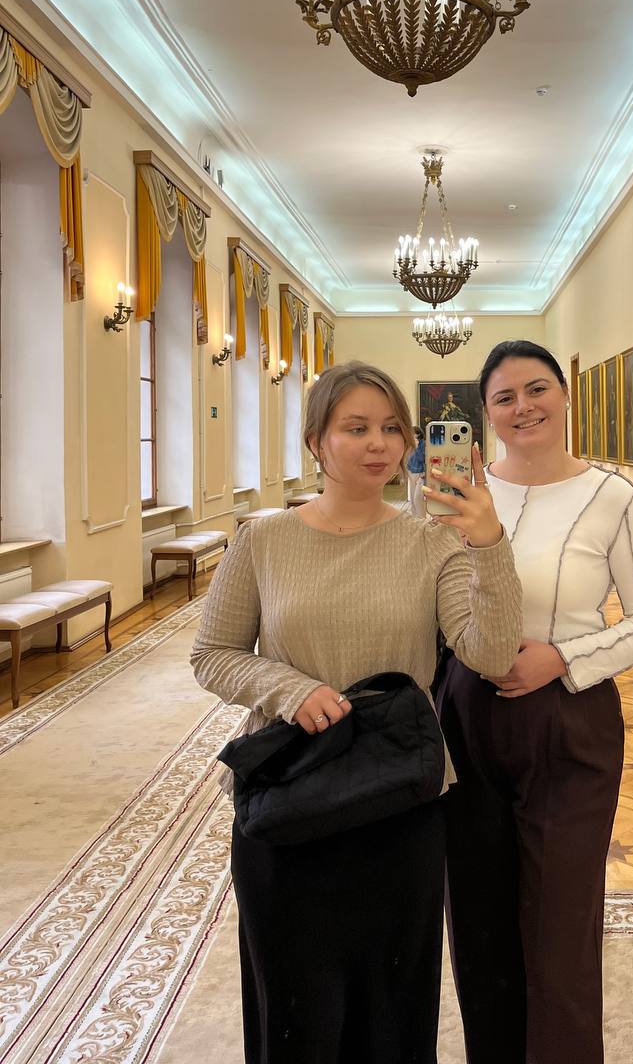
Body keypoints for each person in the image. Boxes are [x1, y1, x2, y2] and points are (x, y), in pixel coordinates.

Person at [191, 361, 521, 1064]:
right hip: (291, 798)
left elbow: (492, 654)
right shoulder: (262, 540)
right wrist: (291, 690)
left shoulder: (432, 541)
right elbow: (212, 654)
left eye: (392, 428)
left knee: (394, 1016)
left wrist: (490, 544)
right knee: (295, 1015)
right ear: (316, 440)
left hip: (397, 804)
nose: (379, 443)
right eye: (356, 427)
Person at [437, 340, 633, 1064]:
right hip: (466, 714)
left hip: (571, 718)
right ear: (485, 414)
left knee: (560, 926)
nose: (523, 407)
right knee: (477, 918)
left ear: (566, 395)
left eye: (537, 389)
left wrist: (564, 658)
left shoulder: (612, 496)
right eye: (504, 397)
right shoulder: (456, 494)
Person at [407, 424, 426, 516]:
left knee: (417, 499)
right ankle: (415, 519)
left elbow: (421, 459)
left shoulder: (423, 444)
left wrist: (417, 446)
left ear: (418, 434)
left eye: (413, 433)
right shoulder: (411, 444)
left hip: (420, 474)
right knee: (412, 499)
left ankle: (422, 519)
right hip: (411, 473)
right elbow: (409, 459)